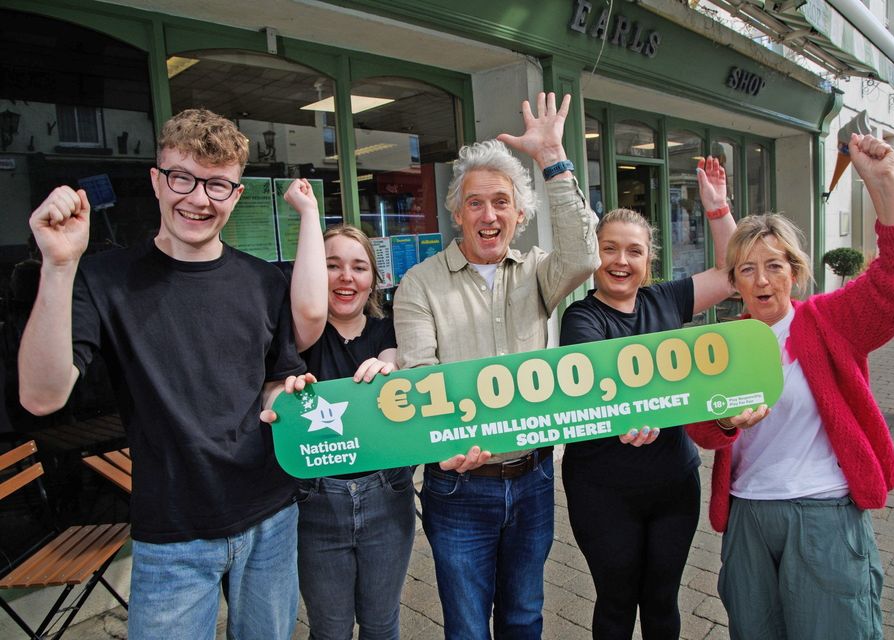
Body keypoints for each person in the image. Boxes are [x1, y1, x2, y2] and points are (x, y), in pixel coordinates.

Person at [18, 108, 322, 639]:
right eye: (183, 178)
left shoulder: (263, 282)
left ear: (237, 195)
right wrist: (59, 265)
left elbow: (274, 378)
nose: (199, 198)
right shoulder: (102, 279)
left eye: (218, 185)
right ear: (157, 181)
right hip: (173, 531)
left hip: (271, 515)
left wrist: (284, 391)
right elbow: (42, 396)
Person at [686, 133, 894, 639]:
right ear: (734, 281)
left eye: (774, 266)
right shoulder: (723, 344)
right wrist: (722, 422)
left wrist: (882, 181)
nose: (761, 280)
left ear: (796, 274)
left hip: (824, 514)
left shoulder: (830, 321)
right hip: (748, 517)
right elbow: (702, 433)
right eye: (748, 270)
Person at [393, 92, 599, 639]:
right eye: (476, 203)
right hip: (459, 486)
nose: (490, 215)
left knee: (524, 615)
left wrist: (553, 159)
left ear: (520, 214)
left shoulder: (536, 271)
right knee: (465, 626)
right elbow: (419, 378)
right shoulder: (419, 284)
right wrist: (443, 447)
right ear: (457, 213)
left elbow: (584, 255)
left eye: (502, 202)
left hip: (533, 477)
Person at [557, 157, 737, 639]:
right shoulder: (581, 319)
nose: (620, 260)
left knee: (662, 601)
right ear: (593, 256)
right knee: (616, 602)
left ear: (648, 260)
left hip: (673, 483)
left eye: (633, 251)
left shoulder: (666, 300)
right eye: (609, 249)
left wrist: (718, 211)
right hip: (602, 489)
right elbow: (606, 384)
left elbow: (731, 272)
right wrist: (633, 411)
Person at [289, 217, 414, 640]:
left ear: (373, 281)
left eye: (359, 267)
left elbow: (403, 354)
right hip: (317, 500)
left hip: (387, 496)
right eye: (331, 265)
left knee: (381, 624)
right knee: (330, 628)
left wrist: (393, 361)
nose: (346, 277)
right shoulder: (297, 338)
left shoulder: (390, 330)